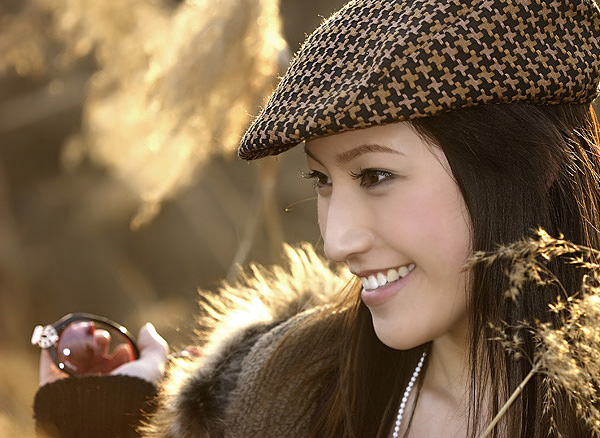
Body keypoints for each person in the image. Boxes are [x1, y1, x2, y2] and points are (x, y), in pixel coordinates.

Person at [33, 0, 600, 437]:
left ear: (529, 164)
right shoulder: (286, 391)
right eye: (322, 180)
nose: (337, 242)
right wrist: (109, 419)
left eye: (376, 175)